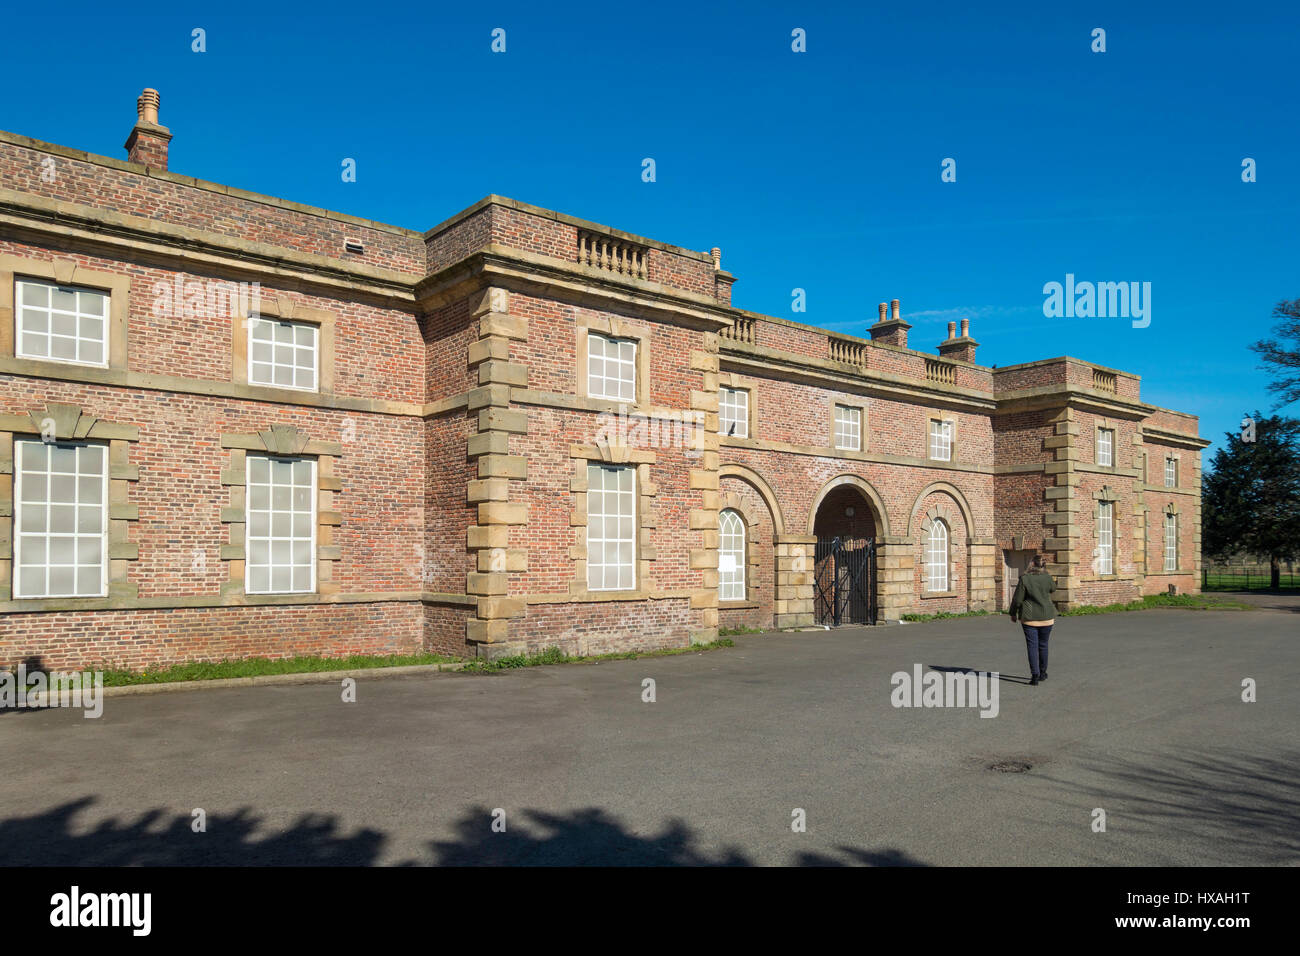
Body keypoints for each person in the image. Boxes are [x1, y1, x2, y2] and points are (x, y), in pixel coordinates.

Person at [1009, 554, 1056, 686]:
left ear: (1031, 564)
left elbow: (1018, 599)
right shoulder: (1047, 578)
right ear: (1043, 565)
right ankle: (1043, 673)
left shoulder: (1025, 579)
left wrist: (1013, 613)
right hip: (1047, 616)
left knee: (1032, 646)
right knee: (1043, 645)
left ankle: (1034, 676)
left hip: (1029, 617)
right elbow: (1053, 588)